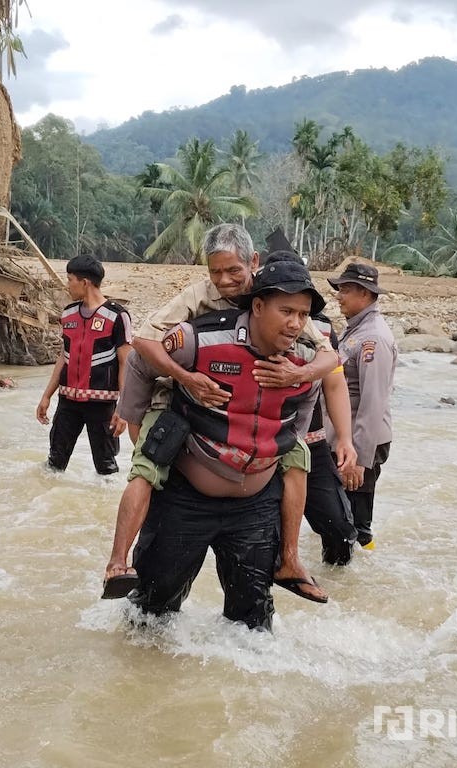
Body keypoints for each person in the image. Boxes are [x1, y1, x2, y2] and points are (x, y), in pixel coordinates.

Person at [101, 225, 355, 602]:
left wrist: (296, 381)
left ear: (253, 264)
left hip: (256, 446)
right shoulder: (198, 306)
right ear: (257, 308)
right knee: (148, 464)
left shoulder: (284, 312)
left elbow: (328, 360)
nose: (223, 281)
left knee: (297, 456)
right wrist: (179, 384)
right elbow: (142, 346)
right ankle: (117, 562)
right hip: (180, 398)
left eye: (233, 270)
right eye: (215, 272)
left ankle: (289, 560)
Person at [123, 260, 327, 630]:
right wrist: (135, 422)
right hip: (186, 498)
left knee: (253, 626)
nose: (295, 324)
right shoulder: (198, 338)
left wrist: (287, 435)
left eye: (302, 314)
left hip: (255, 508)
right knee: (150, 614)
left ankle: (290, 559)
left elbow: (309, 398)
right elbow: (140, 358)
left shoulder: (307, 357)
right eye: (286, 312)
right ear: (258, 306)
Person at [37, 255, 132, 475]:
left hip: (102, 405)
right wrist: (47, 396)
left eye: (70, 279)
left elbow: (125, 363)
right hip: (67, 402)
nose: (67, 285)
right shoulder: (68, 313)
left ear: (85, 282)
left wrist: (123, 409)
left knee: (106, 467)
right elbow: (64, 356)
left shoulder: (117, 316)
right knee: (54, 463)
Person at [327, 262, 398, 549]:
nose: (339, 296)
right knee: (341, 516)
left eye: (345, 290)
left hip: (361, 443)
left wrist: (359, 459)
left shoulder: (373, 338)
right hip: (348, 441)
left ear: (366, 294)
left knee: (358, 525)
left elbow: (373, 402)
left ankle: (364, 567)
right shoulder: (356, 329)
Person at [301, 313, 359, 565]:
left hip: (312, 443)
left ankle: (336, 584)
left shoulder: (321, 327)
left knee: (340, 530)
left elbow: (334, 384)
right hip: (266, 446)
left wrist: (345, 439)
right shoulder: (246, 320)